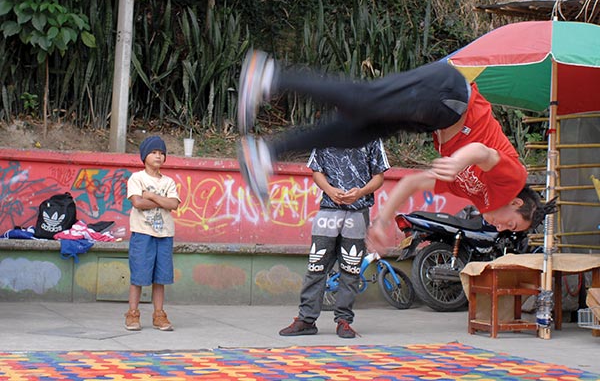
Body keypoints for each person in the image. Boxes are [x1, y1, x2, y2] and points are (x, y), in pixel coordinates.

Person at [236, 49, 556, 239]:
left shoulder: (471, 193)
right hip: (453, 95)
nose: (502, 229)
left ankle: (265, 154)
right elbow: (483, 153)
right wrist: (459, 160)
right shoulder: (512, 181)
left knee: (355, 133)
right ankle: (269, 76)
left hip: (434, 119)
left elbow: (415, 183)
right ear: (516, 204)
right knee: (364, 101)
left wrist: (383, 220)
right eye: (511, 225)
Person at [279, 140, 390, 338]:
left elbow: (379, 177)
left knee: (351, 267)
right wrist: (330, 191)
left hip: (358, 212)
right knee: (316, 265)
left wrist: (361, 192)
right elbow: (316, 171)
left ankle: (344, 321)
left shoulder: (373, 136)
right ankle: (306, 320)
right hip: (328, 211)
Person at [124, 135, 180, 331]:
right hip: (142, 234)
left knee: (160, 277)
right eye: (154, 152)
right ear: (144, 156)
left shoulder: (169, 182)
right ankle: (132, 313)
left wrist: (152, 196)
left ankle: (159, 314)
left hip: (164, 235)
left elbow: (173, 204)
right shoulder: (137, 178)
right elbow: (137, 203)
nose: (158, 156)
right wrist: (160, 202)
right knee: (138, 276)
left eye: (162, 153)